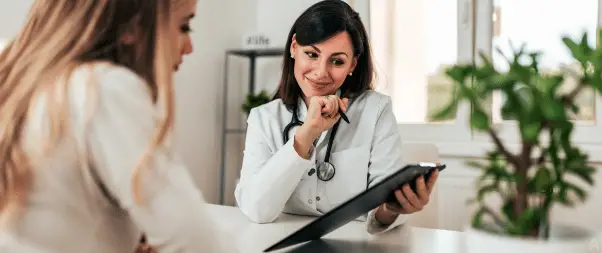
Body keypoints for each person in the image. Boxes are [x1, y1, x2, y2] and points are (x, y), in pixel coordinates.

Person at [0, 0, 234, 253]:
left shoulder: (17, 81)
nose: (189, 47)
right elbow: (198, 242)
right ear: (131, 28)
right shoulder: (101, 89)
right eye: (184, 26)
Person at [234, 0, 439, 234]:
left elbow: (380, 207)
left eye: (337, 61)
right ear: (293, 47)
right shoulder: (264, 118)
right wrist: (305, 135)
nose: (321, 72)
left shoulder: (376, 110)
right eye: (312, 54)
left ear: (353, 63)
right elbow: (257, 210)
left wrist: (392, 208)